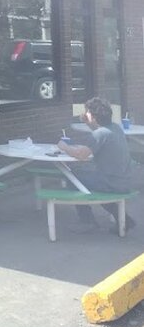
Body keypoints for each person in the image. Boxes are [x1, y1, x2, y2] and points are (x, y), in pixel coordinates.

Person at [57, 95, 137, 233]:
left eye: (86, 112)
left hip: (110, 182)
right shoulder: (115, 128)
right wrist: (89, 122)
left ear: (93, 117)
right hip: (124, 180)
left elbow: (81, 155)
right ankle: (124, 220)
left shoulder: (99, 134)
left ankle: (87, 221)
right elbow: (98, 137)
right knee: (89, 180)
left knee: (73, 177)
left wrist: (64, 147)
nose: (84, 114)